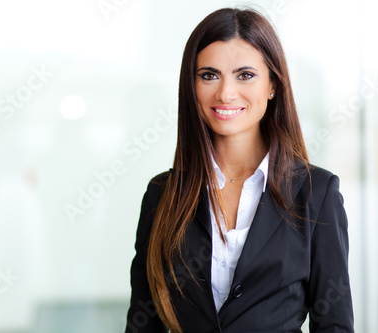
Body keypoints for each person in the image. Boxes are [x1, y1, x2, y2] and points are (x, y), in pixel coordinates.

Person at [125, 7, 354, 333]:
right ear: (191, 86)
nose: (226, 93)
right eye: (209, 75)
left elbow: (334, 325)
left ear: (273, 85)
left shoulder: (316, 192)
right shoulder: (163, 194)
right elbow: (142, 323)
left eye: (245, 75)